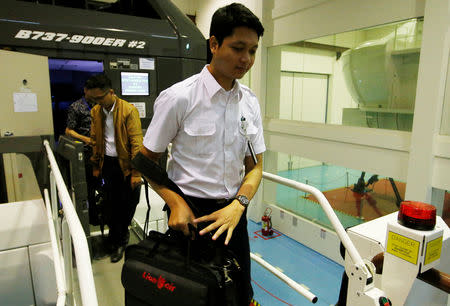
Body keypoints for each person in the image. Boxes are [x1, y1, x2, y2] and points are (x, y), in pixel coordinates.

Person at [138, 3, 265, 305]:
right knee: (191, 295)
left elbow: (256, 167)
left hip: (234, 218)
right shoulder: (180, 97)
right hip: (190, 218)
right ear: (214, 44)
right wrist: (175, 202)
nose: (246, 59)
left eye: (253, 50)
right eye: (238, 48)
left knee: (239, 294)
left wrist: (239, 205)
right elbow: (143, 160)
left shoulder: (249, 103)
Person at [87, 74, 143, 263]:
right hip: (107, 165)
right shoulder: (96, 112)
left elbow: (137, 144)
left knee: (126, 206)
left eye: (101, 98)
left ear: (111, 92)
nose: (98, 102)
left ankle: (120, 241)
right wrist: (96, 166)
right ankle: (114, 239)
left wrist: (136, 173)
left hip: (126, 167)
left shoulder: (128, 111)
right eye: (94, 99)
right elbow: (95, 140)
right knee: (110, 205)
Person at [65, 86, 98, 225]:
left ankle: (100, 212)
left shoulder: (100, 105)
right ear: (85, 90)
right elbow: (69, 131)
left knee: (101, 184)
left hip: (101, 151)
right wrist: (86, 140)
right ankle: (91, 216)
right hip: (85, 151)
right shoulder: (76, 107)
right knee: (89, 185)